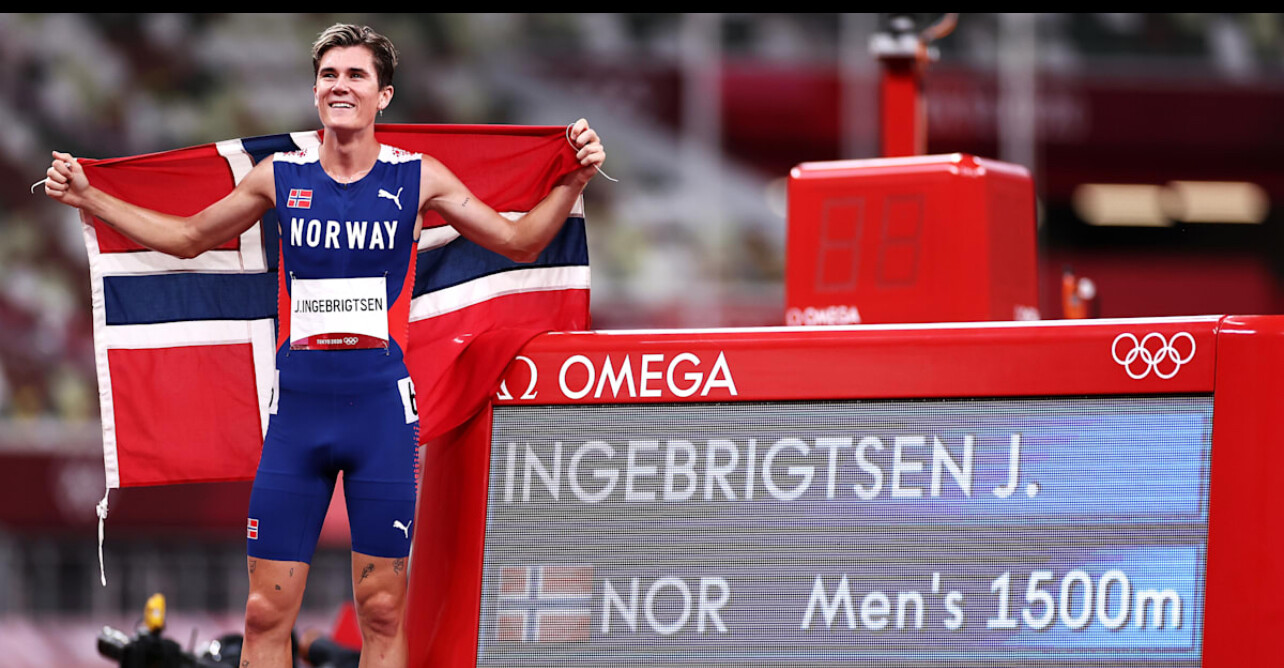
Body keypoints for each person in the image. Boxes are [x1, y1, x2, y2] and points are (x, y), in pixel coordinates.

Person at [44, 23, 605, 668]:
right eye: (329, 75)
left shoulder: (418, 177)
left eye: (356, 75)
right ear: (315, 92)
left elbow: (519, 243)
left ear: (383, 95)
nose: (341, 86)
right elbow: (189, 238)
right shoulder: (279, 177)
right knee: (264, 613)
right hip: (299, 418)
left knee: (383, 610)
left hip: (380, 417)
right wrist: (90, 198)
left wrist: (573, 181)